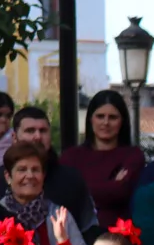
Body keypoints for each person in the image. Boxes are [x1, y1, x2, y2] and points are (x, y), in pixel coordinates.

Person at [0, 107, 98, 237]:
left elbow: (89, 228)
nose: (38, 137)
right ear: (14, 137)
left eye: (43, 131)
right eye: (30, 131)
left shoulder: (71, 179)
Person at [60, 91, 145, 230]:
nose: (106, 123)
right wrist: (111, 185)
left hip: (118, 238)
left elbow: (122, 193)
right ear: (90, 119)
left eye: (112, 117)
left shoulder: (133, 155)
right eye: (100, 116)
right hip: (77, 234)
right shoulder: (70, 157)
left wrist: (82, 188)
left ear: (122, 121)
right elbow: (66, 194)